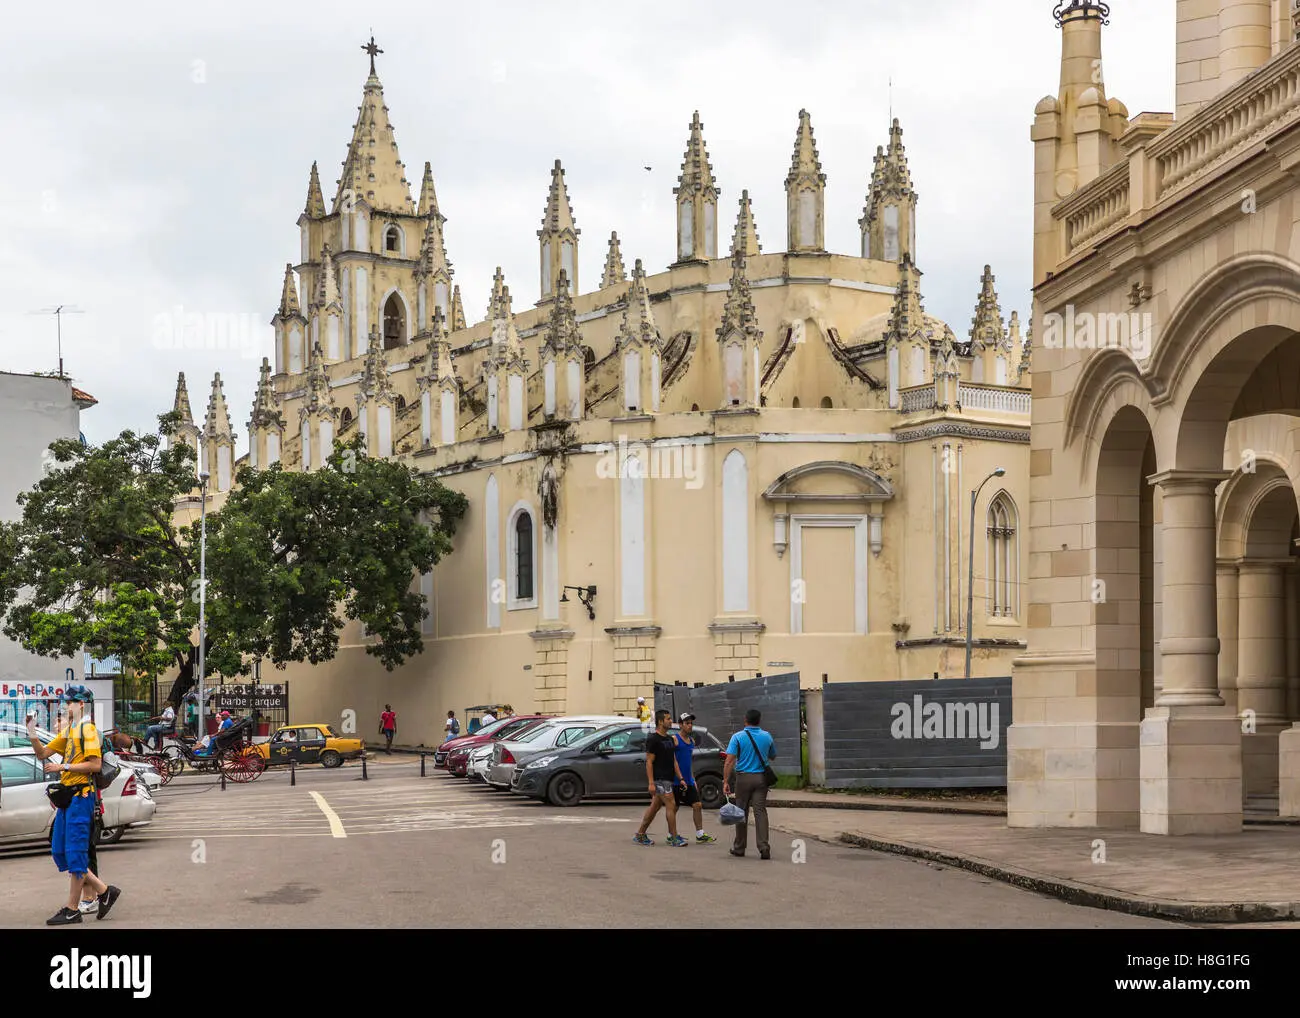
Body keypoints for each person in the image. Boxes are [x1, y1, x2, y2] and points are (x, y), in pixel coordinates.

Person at [27, 684, 121, 924]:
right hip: (68, 800)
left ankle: (72, 908)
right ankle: (103, 891)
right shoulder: (71, 731)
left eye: (69, 703)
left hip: (81, 797)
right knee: (60, 851)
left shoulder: (87, 730)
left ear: (81, 705)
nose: (65, 706)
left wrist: (63, 767)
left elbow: (95, 765)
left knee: (76, 853)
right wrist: (31, 732)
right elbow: (42, 754)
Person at [723, 708, 777, 860]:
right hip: (761, 779)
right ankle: (764, 847)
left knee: (741, 812)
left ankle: (739, 848)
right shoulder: (767, 736)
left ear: (745, 720)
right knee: (760, 812)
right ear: (759, 721)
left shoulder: (737, 737)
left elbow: (729, 761)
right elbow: (773, 756)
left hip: (743, 779)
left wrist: (726, 781)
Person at [633, 710, 687, 847]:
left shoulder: (669, 739)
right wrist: (651, 783)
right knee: (671, 804)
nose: (670, 721)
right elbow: (649, 762)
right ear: (661, 721)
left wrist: (680, 778)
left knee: (655, 807)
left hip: (669, 778)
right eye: (668, 719)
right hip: (660, 779)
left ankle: (640, 834)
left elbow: (673, 760)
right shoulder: (653, 739)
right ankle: (674, 838)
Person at [671, 714, 717, 844]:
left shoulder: (691, 741)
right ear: (680, 725)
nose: (690, 725)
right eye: (687, 723)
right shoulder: (674, 739)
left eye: (691, 723)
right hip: (676, 780)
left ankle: (700, 834)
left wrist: (692, 778)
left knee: (697, 805)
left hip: (688, 780)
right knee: (674, 808)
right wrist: (680, 778)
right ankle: (671, 834)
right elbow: (672, 760)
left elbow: (689, 762)